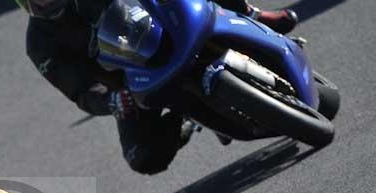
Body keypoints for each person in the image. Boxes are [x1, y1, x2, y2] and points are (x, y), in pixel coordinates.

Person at [18, 0, 299, 174]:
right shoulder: (40, 45)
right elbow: (80, 91)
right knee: (142, 157)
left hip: (162, 28)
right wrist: (113, 101)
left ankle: (250, 13)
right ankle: (185, 119)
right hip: (130, 81)